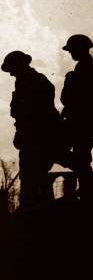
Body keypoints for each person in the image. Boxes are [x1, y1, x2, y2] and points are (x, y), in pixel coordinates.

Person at [2, 51, 60, 207]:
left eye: (12, 69)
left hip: (38, 136)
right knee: (33, 174)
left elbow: (32, 113)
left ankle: (31, 209)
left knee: (32, 174)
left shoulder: (34, 81)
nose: (11, 74)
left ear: (19, 66)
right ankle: (35, 207)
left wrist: (25, 132)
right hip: (32, 134)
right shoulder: (26, 81)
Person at [60, 34, 93, 199]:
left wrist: (88, 117)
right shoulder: (84, 68)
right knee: (76, 155)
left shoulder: (88, 69)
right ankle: (87, 182)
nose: (71, 53)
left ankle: (88, 188)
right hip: (83, 121)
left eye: (73, 50)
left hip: (85, 122)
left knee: (71, 154)